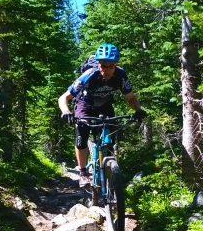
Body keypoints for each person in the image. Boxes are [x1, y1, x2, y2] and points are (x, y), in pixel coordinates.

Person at [58, 43, 147, 187]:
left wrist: (138, 110)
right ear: (98, 64)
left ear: (115, 64)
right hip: (84, 105)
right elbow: (64, 98)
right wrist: (66, 112)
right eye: (103, 66)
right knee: (82, 135)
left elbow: (130, 97)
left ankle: (110, 173)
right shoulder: (89, 75)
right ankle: (83, 173)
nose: (106, 70)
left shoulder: (120, 75)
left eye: (110, 66)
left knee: (110, 140)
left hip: (105, 106)